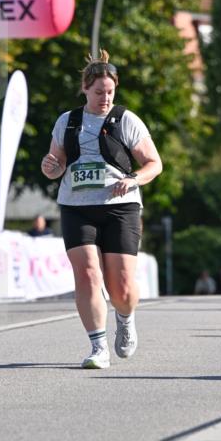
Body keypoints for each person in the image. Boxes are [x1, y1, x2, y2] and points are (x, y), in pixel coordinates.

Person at [41, 50, 163, 369]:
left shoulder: (126, 120)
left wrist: (134, 179)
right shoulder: (67, 121)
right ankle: (98, 347)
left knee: (121, 287)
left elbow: (154, 164)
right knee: (87, 273)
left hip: (120, 207)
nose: (105, 98)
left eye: (110, 92)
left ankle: (124, 317)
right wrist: (50, 166)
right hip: (76, 206)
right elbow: (56, 165)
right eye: (99, 93)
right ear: (85, 88)